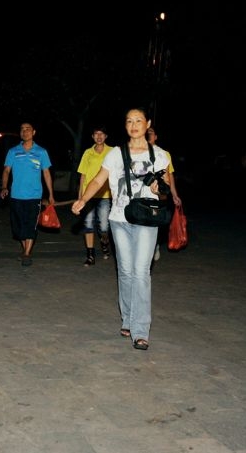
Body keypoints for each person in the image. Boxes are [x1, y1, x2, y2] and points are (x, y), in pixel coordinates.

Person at [72, 107, 170, 350]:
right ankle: (127, 318)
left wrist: (160, 189)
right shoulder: (116, 154)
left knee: (141, 272)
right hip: (119, 219)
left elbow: (165, 189)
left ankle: (141, 330)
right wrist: (83, 200)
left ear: (147, 124)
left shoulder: (159, 155)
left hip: (147, 220)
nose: (134, 125)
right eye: (129, 121)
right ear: (125, 126)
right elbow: (98, 179)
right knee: (125, 271)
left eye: (138, 120)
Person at [0, 122, 55, 267]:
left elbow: (46, 173)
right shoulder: (13, 151)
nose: (25, 132)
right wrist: (4, 187)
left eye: (28, 129)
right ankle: (26, 250)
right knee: (18, 227)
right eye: (22, 129)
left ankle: (26, 253)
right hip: (16, 195)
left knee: (30, 225)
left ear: (33, 132)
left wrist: (51, 194)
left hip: (34, 196)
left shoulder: (41, 152)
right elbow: (6, 170)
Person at [76, 126, 113, 266]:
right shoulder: (88, 152)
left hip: (105, 194)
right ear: (92, 136)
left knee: (104, 227)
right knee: (88, 224)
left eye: (102, 134)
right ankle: (90, 255)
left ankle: (105, 242)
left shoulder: (112, 151)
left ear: (106, 136)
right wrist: (80, 197)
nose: (99, 136)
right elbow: (82, 176)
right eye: (96, 134)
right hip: (88, 195)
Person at [146, 127, 182, 261]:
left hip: (159, 195)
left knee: (156, 221)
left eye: (151, 133)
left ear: (156, 137)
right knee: (144, 221)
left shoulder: (164, 153)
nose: (148, 135)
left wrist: (174, 194)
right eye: (146, 133)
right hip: (142, 195)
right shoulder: (137, 151)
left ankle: (155, 245)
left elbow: (169, 175)